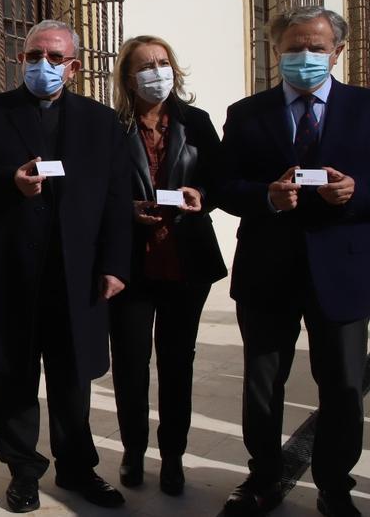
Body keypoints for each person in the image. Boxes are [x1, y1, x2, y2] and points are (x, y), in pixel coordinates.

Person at [0, 19, 131, 513]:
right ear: (20, 60)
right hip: (10, 268)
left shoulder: (100, 122)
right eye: (35, 55)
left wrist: (116, 264)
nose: (44, 65)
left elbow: (118, 198)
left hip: (75, 272)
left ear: (73, 67)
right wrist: (7, 179)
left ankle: (77, 468)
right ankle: (23, 471)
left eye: (55, 58)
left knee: (72, 375)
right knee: (11, 376)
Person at [216, 6, 370, 517]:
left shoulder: (365, 108)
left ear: (338, 52)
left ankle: (334, 485)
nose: (305, 57)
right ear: (276, 52)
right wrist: (266, 197)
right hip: (268, 270)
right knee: (263, 383)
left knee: (343, 387)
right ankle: (261, 478)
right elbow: (224, 186)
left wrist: (355, 193)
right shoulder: (246, 113)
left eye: (317, 48)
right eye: (294, 48)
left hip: (342, 271)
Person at [107, 36, 227, 495]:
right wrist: (126, 212)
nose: (156, 71)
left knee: (178, 363)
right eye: (145, 65)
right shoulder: (112, 127)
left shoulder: (195, 122)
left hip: (185, 260)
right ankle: (133, 452)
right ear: (128, 77)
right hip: (132, 263)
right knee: (131, 365)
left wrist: (204, 197)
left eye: (162, 63)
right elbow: (99, 190)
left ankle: (173, 456)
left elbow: (217, 180)